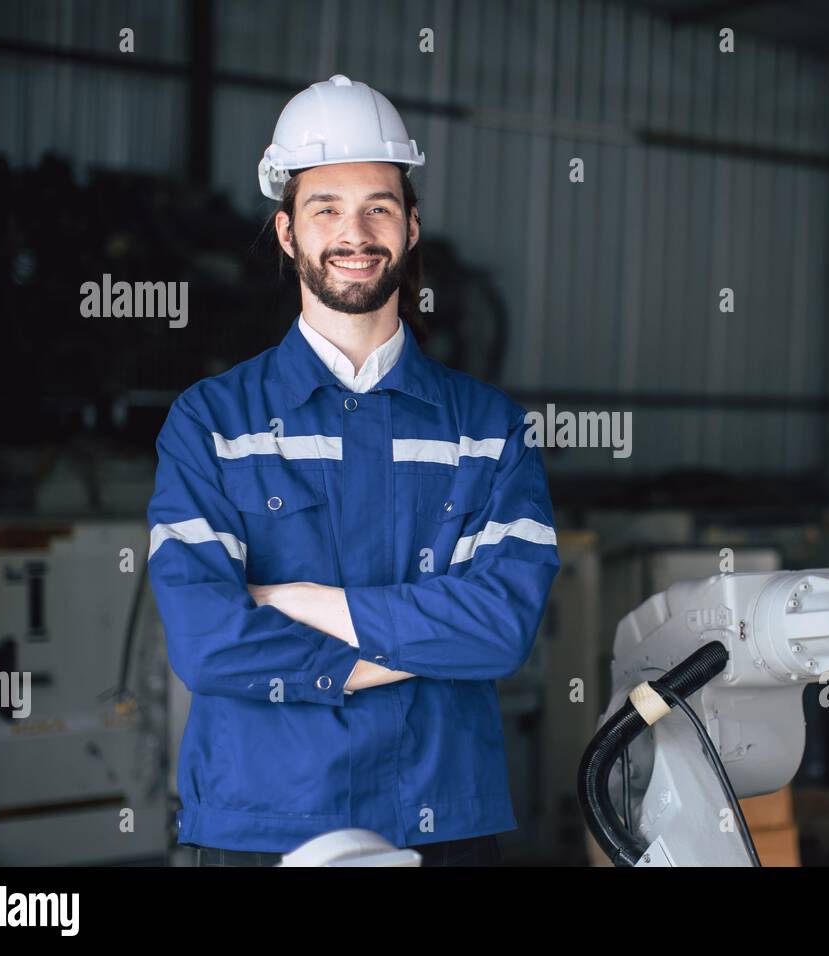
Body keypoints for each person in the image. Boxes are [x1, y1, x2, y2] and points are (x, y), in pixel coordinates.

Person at [147, 75, 559, 867]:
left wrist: (305, 601)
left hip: (443, 818)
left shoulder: (488, 428)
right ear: (285, 232)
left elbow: (503, 629)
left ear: (410, 227)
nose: (354, 231)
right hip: (263, 822)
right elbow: (207, 644)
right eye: (325, 207)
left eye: (378, 205)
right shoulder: (212, 422)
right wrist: (416, 646)